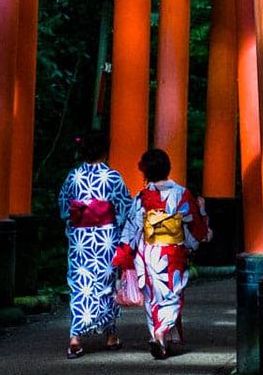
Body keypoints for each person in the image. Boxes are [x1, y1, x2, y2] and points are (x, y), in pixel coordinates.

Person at [114, 148, 211, 360]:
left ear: (145, 172)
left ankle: (160, 340)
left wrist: (125, 254)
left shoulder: (142, 197)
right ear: (168, 168)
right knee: (171, 295)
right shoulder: (181, 193)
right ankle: (162, 331)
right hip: (171, 252)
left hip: (147, 252)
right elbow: (196, 228)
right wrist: (201, 213)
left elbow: (133, 228)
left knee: (151, 297)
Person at [57, 130, 132, 359]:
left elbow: (63, 206)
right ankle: (109, 335)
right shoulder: (112, 177)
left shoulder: (73, 176)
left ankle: (75, 338)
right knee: (106, 284)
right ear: (105, 150)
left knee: (80, 284)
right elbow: (125, 207)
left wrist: (77, 220)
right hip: (106, 237)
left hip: (80, 238)